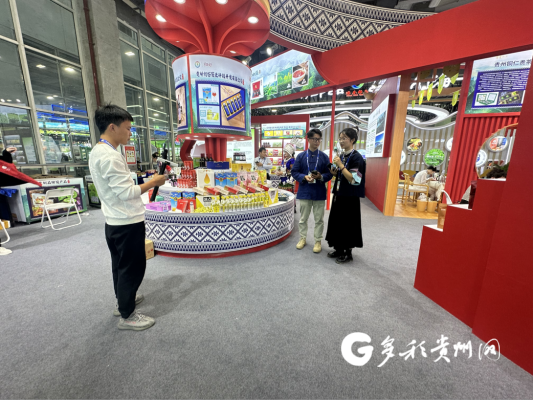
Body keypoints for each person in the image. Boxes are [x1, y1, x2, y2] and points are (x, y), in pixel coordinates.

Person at [89, 104, 165, 331]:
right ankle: (128, 315)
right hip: (126, 221)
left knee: (120, 265)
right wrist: (153, 182)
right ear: (112, 127)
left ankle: (123, 301)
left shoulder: (98, 151)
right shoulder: (111, 157)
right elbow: (127, 193)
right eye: (128, 128)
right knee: (132, 267)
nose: (130, 133)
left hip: (114, 220)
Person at [325, 128, 366, 264]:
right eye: (340, 138)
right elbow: (342, 174)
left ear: (352, 140)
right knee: (337, 222)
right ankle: (338, 248)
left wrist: (341, 166)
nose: (341, 141)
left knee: (348, 225)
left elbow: (354, 179)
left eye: (344, 138)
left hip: (350, 197)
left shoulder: (357, 157)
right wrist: (335, 171)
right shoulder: (342, 155)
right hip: (339, 194)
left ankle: (348, 252)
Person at [291, 129, 333, 253]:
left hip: (319, 192)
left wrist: (321, 177)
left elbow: (330, 173)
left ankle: (318, 241)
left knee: (319, 219)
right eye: (314, 139)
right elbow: (294, 172)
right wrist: (304, 177)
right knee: (303, 219)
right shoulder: (301, 156)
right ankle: (302, 238)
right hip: (305, 191)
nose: (317, 141)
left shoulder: (324, 157)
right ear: (308, 139)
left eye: (319, 139)